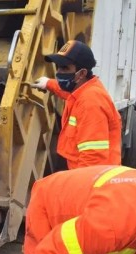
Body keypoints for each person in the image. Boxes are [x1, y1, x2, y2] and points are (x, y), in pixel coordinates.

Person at [31, 40, 122, 169]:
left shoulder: (91, 102)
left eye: (65, 68)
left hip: (93, 181)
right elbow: (67, 93)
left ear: (82, 73)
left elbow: (93, 159)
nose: (59, 73)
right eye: (58, 67)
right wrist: (48, 84)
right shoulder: (81, 90)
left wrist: (79, 187)